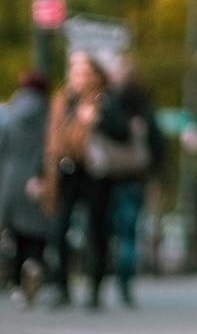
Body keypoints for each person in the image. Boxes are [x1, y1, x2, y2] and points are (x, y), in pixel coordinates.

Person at [43, 52, 131, 310]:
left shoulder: (104, 99)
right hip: (66, 169)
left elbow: (122, 132)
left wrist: (97, 120)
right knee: (59, 229)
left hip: (96, 171)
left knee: (97, 230)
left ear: (94, 73)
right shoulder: (62, 99)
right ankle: (61, 288)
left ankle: (95, 289)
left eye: (82, 70)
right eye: (74, 69)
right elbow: (51, 138)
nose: (77, 75)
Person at [110, 60, 165, 307]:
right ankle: (124, 284)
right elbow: (158, 144)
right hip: (136, 178)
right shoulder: (145, 107)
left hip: (109, 176)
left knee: (106, 231)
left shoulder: (109, 103)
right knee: (129, 234)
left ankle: (101, 281)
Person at [0, 71, 52, 306]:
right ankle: (34, 263)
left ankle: (19, 280)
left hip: (11, 178)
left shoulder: (11, 113)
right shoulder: (49, 113)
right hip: (39, 177)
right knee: (38, 230)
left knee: (16, 231)